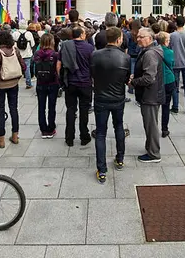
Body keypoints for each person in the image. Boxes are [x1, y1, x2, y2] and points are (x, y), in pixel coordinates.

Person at [91, 27, 131, 183]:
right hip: (117, 98)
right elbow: (127, 78)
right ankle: (120, 159)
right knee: (119, 127)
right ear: (119, 39)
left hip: (101, 97)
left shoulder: (95, 55)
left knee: (101, 133)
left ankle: (102, 170)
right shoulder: (125, 57)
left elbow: (92, 74)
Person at [130, 27, 164, 163]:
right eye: (137, 36)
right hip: (150, 94)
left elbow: (149, 78)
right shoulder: (148, 51)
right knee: (150, 123)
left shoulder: (150, 54)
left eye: (141, 37)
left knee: (151, 125)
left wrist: (134, 82)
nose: (138, 39)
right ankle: (151, 148)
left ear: (150, 39)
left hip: (150, 95)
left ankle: (154, 154)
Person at [0, 30, 26, 149]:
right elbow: (23, 65)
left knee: (0, 110)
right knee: (13, 108)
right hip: (13, 82)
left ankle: (1, 140)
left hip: (0, 84)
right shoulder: (15, 49)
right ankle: (15, 136)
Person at [60, 26, 95, 147]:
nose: (85, 35)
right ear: (81, 35)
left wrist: (61, 80)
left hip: (71, 82)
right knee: (84, 110)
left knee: (70, 109)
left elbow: (59, 64)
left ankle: (69, 137)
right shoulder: (89, 47)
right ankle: (84, 136)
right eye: (84, 33)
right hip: (85, 83)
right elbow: (93, 65)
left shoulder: (65, 45)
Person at [33, 33, 60, 138]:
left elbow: (34, 67)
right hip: (53, 82)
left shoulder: (37, 53)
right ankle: (51, 128)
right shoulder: (55, 54)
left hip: (40, 83)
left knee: (41, 106)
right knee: (52, 107)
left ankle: (43, 129)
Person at [169, 16, 185, 115]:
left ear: (176, 23)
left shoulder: (172, 36)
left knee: (175, 86)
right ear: (184, 23)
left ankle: (175, 106)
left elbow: (170, 48)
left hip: (175, 62)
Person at [157, 32, 176, 138]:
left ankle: (153, 127)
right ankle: (165, 128)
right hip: (168, 80)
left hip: (158, 81)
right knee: (166, 106)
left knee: (155, 106)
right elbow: (172, 64)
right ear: (165, 41)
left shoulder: (155, 51)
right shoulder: (169, 52)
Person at [15, 23, 36, 89]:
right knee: (27, 68)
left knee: (17, 68)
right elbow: (33, 44)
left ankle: (15, 83)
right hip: (27, 53)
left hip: (17, 53)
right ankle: (28, 83)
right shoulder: (29, 34)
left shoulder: (15, 33)